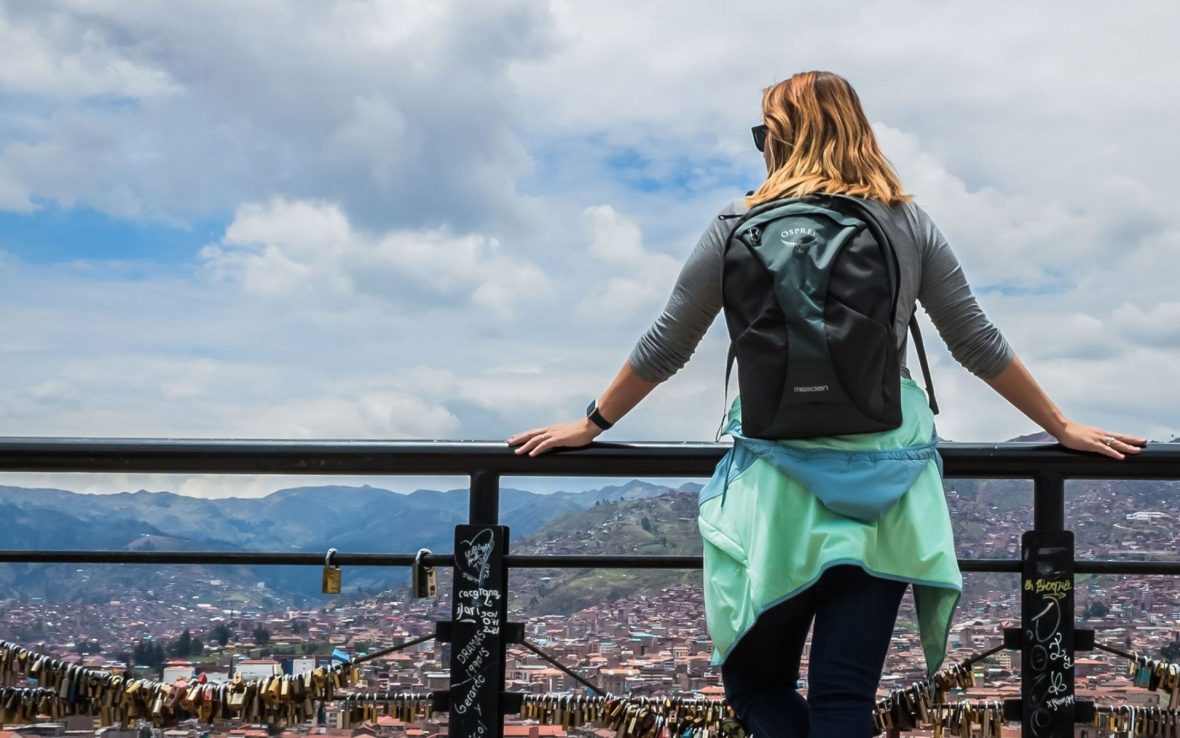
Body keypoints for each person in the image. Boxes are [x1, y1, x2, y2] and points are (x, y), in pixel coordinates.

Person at [507, 70, 1147, 737]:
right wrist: (1060, 424)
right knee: (844, 695)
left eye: (763, 132)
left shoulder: (737, 223)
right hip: (890, 491)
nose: (760, 146)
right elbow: (975, 341)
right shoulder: (905, 221)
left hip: (778, 495)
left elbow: (667, 344)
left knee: (757, 684)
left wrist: (593, 422)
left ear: (780, 139)